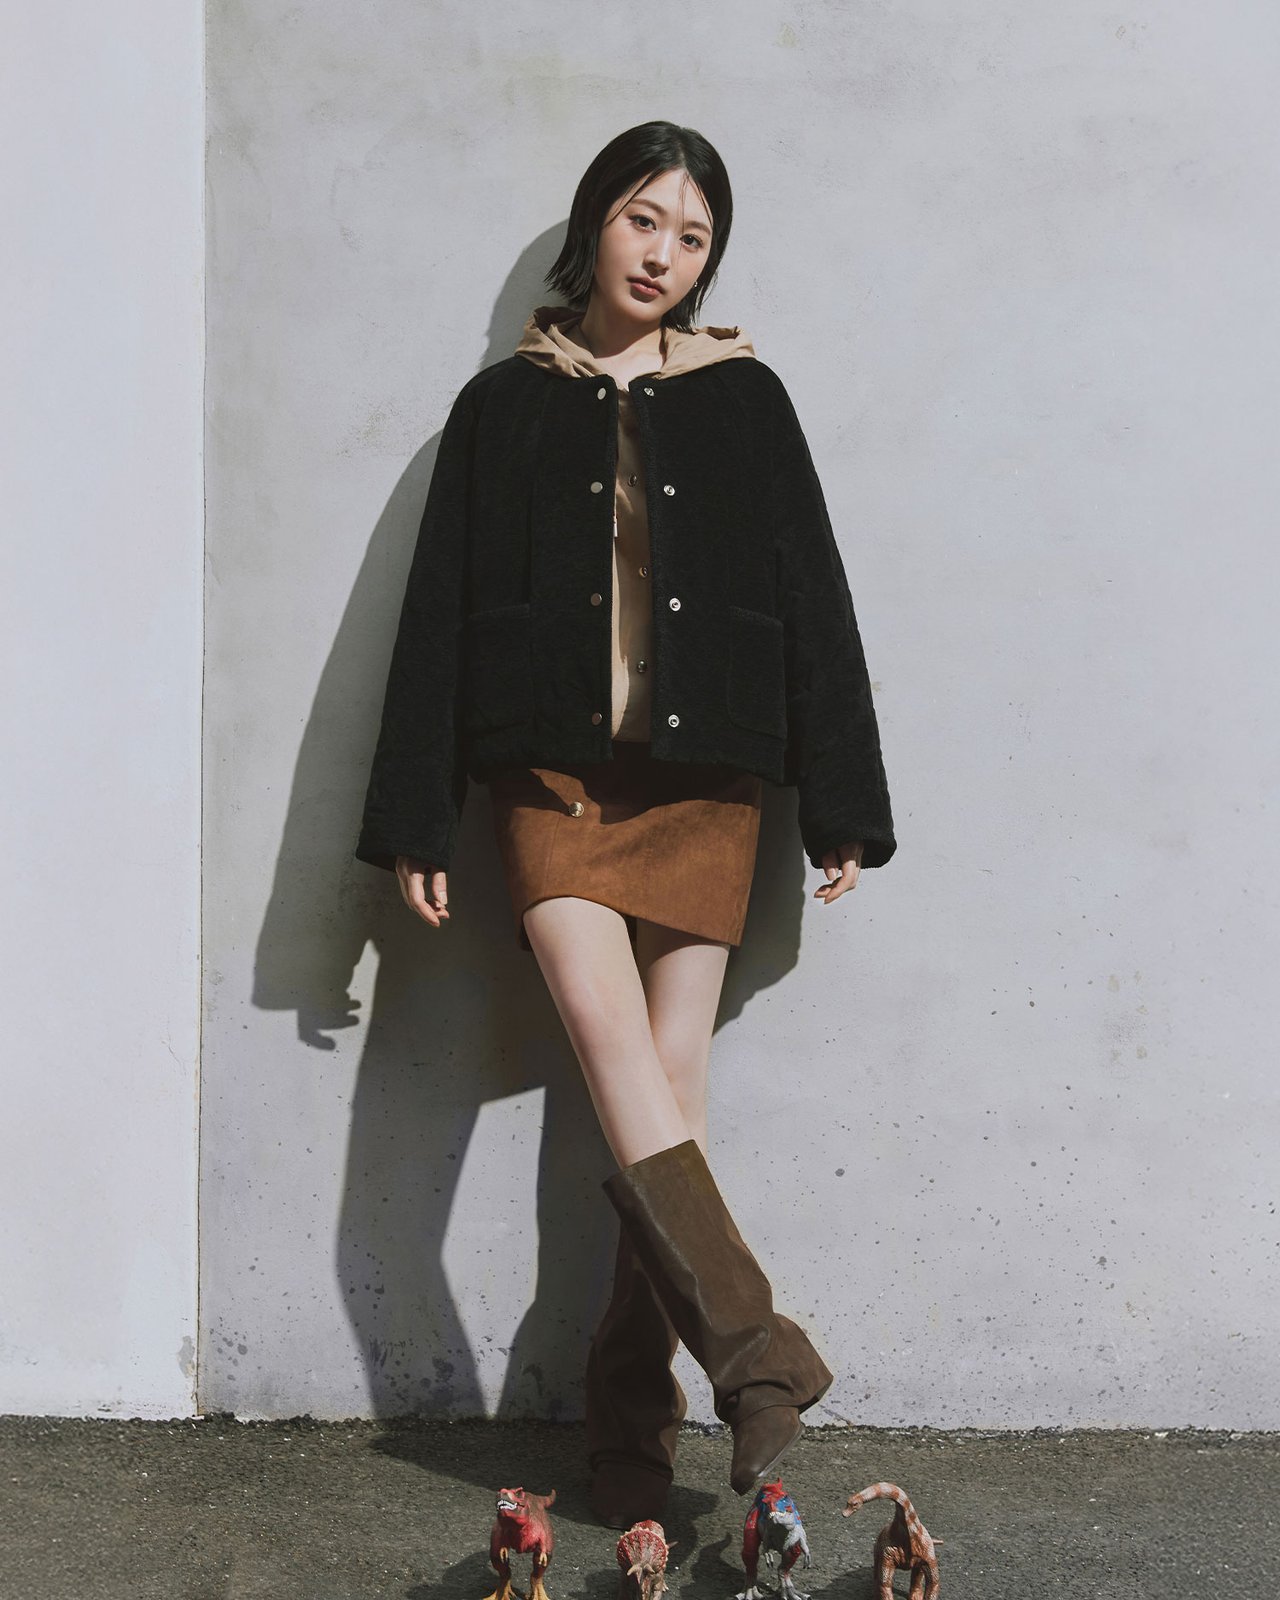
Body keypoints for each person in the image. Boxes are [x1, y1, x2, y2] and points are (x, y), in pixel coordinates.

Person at [354, 121, 896, 1526]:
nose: (663, 254)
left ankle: (629, 1450)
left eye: (693, 236)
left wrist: (843, 799)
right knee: (617, 1055)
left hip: (710, 784)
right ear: (594, 220)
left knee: (671, 1100)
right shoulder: (502, 407)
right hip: (554, 785)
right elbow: (436, 612)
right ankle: (757, 1357)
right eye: (644, 219)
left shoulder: (744, 399)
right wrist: (415, 813)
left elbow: (814, 592)